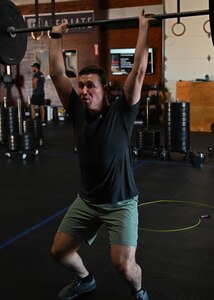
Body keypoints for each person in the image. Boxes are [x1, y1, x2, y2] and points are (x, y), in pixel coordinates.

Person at [49, 10, 153, 300]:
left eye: (90, 85)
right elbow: (57, 73)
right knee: (59, 253)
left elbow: (140, 70)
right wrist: (56, 36)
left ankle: (139, 291)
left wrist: (143, 27)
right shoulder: (77, 111)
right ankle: (86, 279)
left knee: (124, 266)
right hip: (88, 200)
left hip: (120, 202)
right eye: (81, 85)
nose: (83, 90)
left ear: (105, 88)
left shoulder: (121, 112)